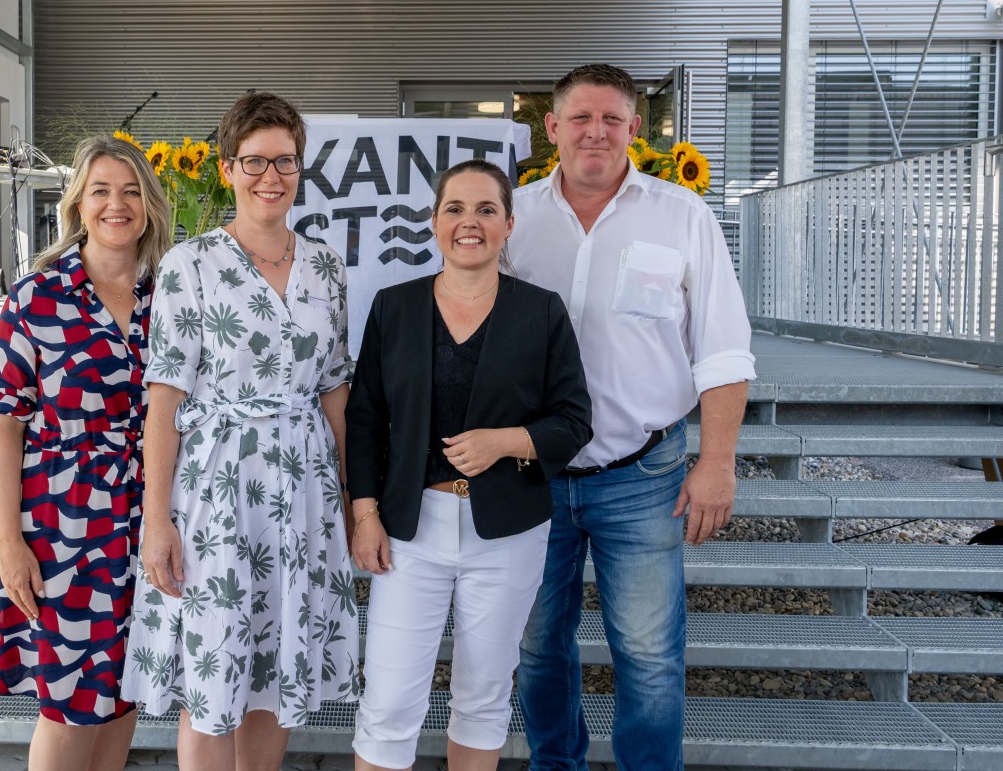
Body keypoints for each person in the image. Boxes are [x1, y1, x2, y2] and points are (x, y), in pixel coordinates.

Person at [511, 64, 756, 771]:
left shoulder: (683, 217)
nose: (596, 132)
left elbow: (723, 348)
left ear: (634, 129)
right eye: (580, 119)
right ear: (552, 129)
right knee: (535, 647)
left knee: (649, 654)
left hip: (643, 474)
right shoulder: (511, 219)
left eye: (611, 119)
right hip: (532, 475)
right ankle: (554, 764)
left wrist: (716, 462)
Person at [122, 91, 359, 771]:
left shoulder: (325, 265)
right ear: (227, 169)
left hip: (305, 488)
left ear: (300, 167)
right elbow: (163, 397)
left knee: (274, 673)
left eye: (284, 161)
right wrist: (156, 519)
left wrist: (351, 493)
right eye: (253, 161)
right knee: (215, 671)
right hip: (219, 490)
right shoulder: (190, 265)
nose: (270, 177)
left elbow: (336, 384)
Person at [346, 158, 593, 771]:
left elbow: (574, 421)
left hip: (507, 530)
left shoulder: (541, 311)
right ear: (433, 222)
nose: (470, 222)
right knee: (388, 700)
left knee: (483, 698)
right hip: (411, 527)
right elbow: (364, 418)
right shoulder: (394, 307)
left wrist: (504, 441)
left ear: (509, 224)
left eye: (486, 209)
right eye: (455, 208)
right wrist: (364, 513)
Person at [0, 134, 172, 771]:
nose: (116, 205)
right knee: (68, 701)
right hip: (64, 525)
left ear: (148, 204)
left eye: (130, 191)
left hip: (149, 516)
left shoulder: (170, 300)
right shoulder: (36, 299)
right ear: (77, 205)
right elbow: (3, 427)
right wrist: (9, 542)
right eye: (100, 191)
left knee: (123, 693)